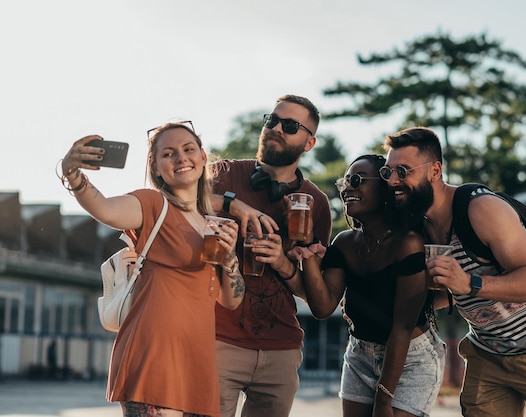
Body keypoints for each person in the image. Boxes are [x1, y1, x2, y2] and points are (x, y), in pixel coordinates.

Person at [382, 126, 526, 417]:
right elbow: (448, 294)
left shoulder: (481, 209)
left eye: (403, 171)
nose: (393, 181)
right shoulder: (418, 226)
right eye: (387, 172)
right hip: (487, 352)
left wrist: (468, 282)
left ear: (435, 171)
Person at [59, 121, 245, 417]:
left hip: (198, 367)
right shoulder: (153, 204)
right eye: (168, 154)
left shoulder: (212, 224)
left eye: (188, 149)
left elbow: (230, 300)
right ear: (156, 168)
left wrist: (231, 259)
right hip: (155, 361)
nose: (181, 158)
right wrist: (72, 172)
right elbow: (105, 209)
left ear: (203, 157)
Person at [209, 94, 333, 417]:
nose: (275, 128)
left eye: (290, 126)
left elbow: (313, 294)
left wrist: (282, 261)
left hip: (281, 347)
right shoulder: (223, 175)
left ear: (309, 143)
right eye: (271, 120)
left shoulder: (316, 202)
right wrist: (232, 204)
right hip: (218, 339)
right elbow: (178, 202)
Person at [301, 154, 446, 417]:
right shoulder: (343, 242)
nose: (348, 188)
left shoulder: (408, 243)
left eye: (357, 180)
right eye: (345, 182)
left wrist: (383, 399)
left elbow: (402, 327)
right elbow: (323, 307)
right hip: (360, 352)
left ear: (384, 189)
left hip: (411, 356)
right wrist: (307, 257)